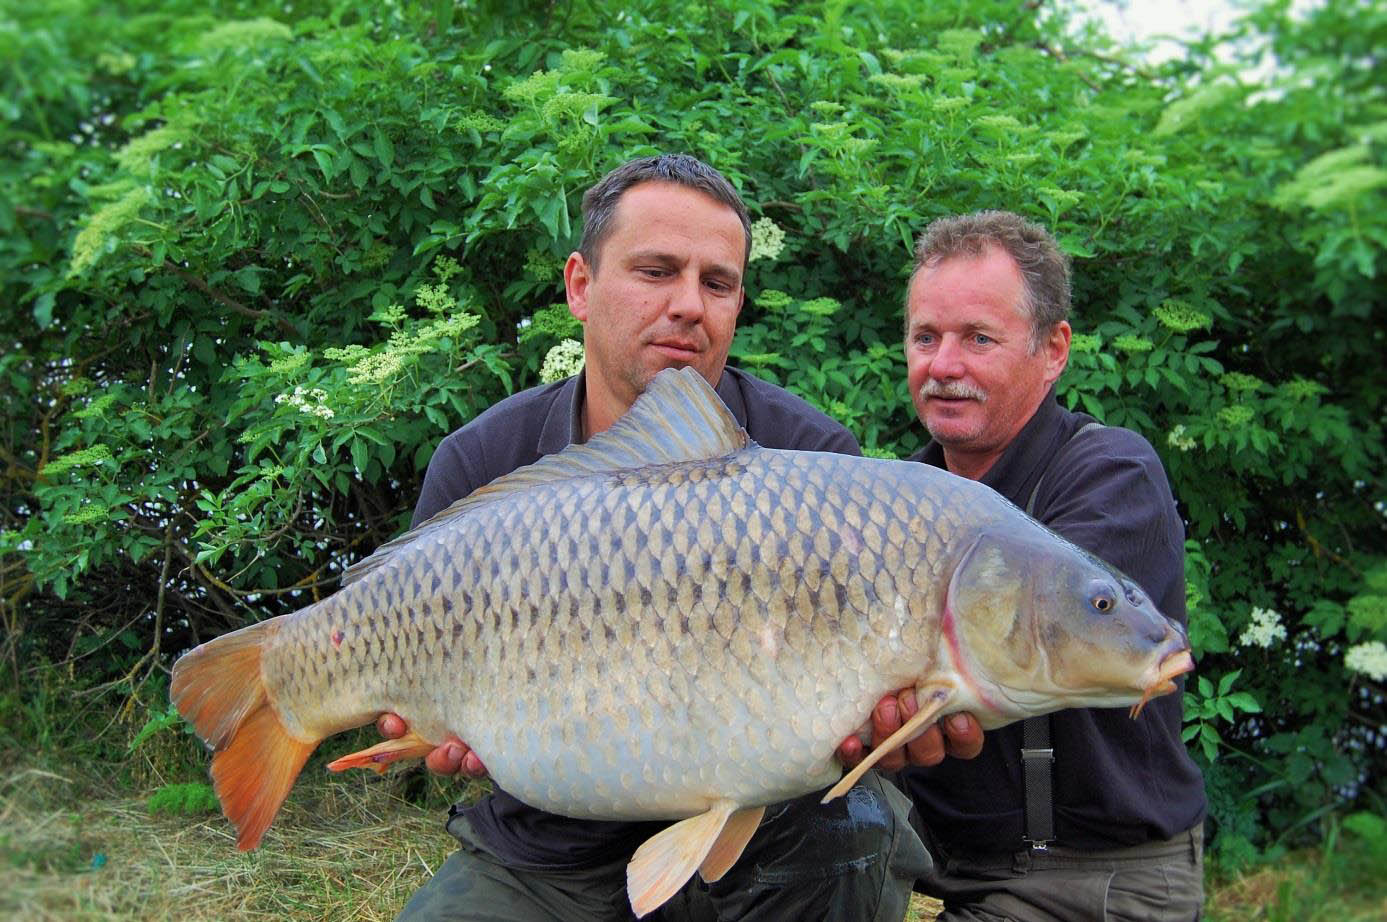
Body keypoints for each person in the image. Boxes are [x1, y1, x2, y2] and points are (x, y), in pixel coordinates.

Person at [380, 154, 982, 922]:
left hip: (778, 837)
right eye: (657, 271)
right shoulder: (482, 460)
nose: (688, 306)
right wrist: (442, 727)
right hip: (547, 847)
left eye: (717, 283)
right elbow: (437, 725)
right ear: (579, 286)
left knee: (856, 827)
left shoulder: (811, 458)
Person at [888, 210, 1207, 920]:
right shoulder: (902, 495)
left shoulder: (1108, 472)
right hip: (944, 874)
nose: (943, 366)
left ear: (1052, 348)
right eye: (924, 337)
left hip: (1094, 880)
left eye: (977, 339)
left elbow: (1025, 639)